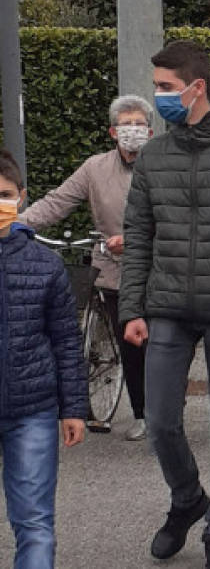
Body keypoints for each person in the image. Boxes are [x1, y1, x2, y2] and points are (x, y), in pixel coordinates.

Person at [118, 40, 210, 568]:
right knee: (162, 421)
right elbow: (138, 231)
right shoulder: (153, 155)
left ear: (197, 88)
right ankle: (188, 499)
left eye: (166, 88)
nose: (158, 98)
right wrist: (131, 308)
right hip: (166, 305)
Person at [20, 95, 152, 441]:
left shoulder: (161, 165)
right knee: (130, 346)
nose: (133, 132)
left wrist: (136, 236)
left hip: (156, 267)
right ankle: (142, 413)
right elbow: (57, 201)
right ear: (113, 131)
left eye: (140, 125)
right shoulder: (95, 168)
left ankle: (163, 408)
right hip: (111, 267)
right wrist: (17, 222)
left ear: (151, 132)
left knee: (157, 343)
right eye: (127, 126)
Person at [0, 149, 86, 569]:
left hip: (31, 410)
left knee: (34, 523)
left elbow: (66, 340)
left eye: (3, 194)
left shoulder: (45, 265)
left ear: (21, 197)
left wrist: (73, 407)